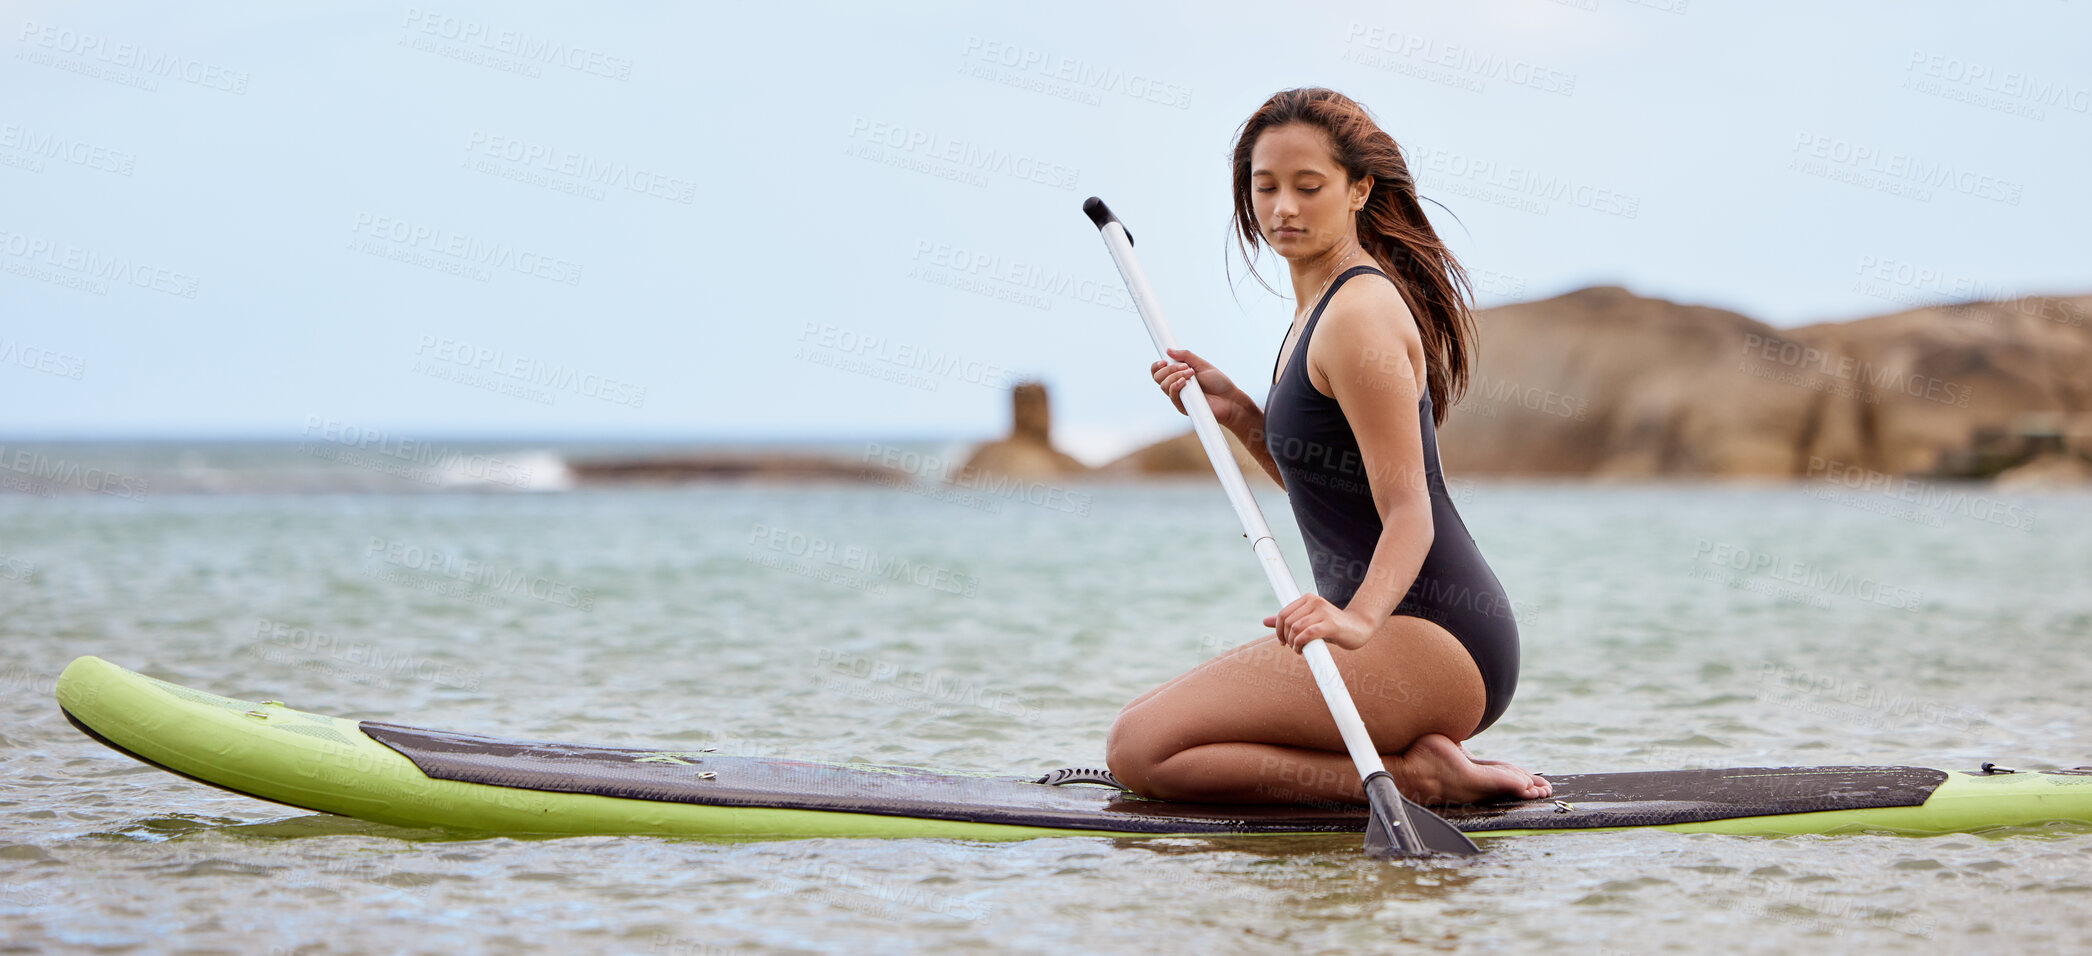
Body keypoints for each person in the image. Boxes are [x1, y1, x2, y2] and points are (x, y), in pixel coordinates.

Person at [1104, 88, 1550, 807]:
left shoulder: (1359, 315)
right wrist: (1240, 413)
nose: (1283, 208)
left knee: (1141, 749)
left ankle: (1418, 778)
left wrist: (1356, 619)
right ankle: (1416, 757)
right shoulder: (1319, 306)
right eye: (1265, 187)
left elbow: (1408, 510)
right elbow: (1330, 484)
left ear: (1358, 190)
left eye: (1309, 187)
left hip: (1435, 635)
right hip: (1399, 633)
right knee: (1139, 730)